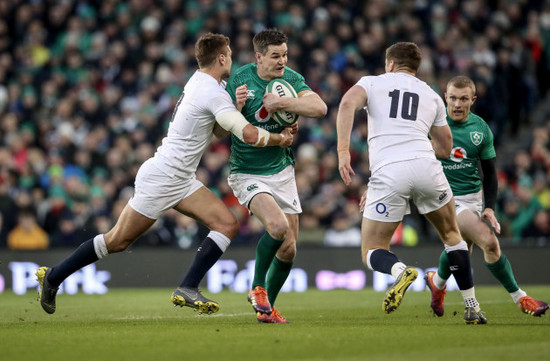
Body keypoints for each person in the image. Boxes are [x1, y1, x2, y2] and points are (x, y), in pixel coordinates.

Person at [35, 32, 294, 315]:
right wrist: (280, 139)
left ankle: (187, 287)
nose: (232, 58)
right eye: (230, 54)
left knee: (226, 224)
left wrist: (238, 108)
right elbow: (245, 134)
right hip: (164, 176)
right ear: (221, 58)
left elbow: (219, 131)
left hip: (181, 178)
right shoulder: (213, 92)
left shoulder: (201, 82)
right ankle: (53, 277)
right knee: (117, 240)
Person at [337, 42, 486, 324]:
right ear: (416, 68)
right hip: (426, 167)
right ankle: (472, 306)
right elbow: (445, 147)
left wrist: (343, 152)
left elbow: (346, 104)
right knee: (453, 237)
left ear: (391, 64)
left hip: (389, 172)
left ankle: (399, 271)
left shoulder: (372, 82)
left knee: (371, 249)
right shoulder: (431, 95)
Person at [224, 29, 327, 323]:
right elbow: (219, 131)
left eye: (284, 54)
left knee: (290, 249)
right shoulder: (240, 80)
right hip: (247, 171)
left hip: (282, 170)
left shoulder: (290, 79)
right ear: (259, 57)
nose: (282, 61)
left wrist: (281, 104)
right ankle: (257, 287)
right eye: (275, 56)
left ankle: (266, 310)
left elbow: (318, 108)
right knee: (277, 226)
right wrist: (236, 109)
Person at [424, 75, 549, 317]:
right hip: (446, 198)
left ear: (473, 99)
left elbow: (490, 174)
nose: (457, 104)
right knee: (489, 242)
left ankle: (437, 283)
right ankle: (521, 299)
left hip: (474, 197)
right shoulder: (432, 126)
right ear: (445, 98)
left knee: (461, 247)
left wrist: (488, 207)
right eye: (452, 98)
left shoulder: (480, 129)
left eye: (463, 99)